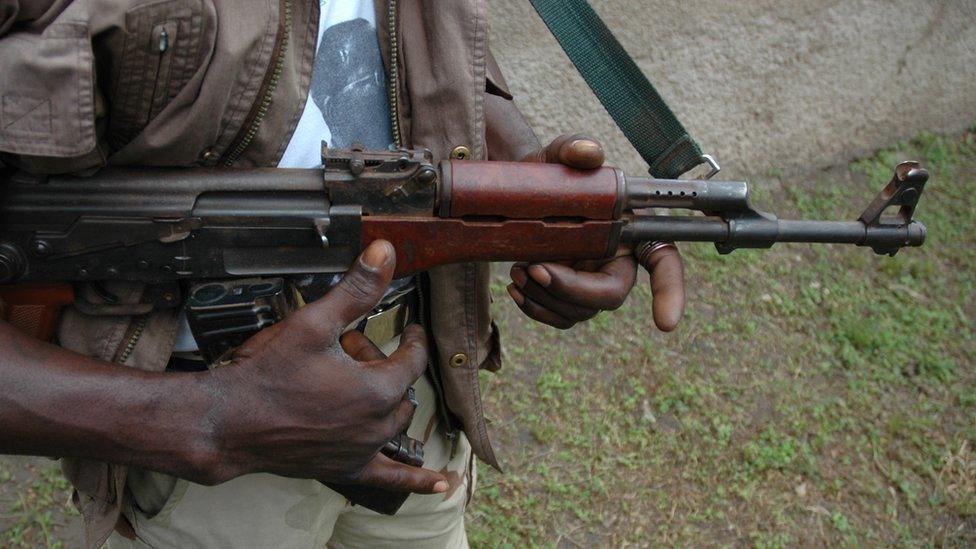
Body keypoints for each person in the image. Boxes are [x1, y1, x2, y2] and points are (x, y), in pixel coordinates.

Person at [0, 1, 685, 547]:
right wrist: (210, 421)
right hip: (197, 464)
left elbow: (431, 58)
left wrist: (538, 195)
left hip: (405, 395)